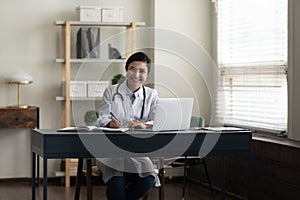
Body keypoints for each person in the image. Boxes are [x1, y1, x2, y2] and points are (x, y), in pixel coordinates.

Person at [96, 52, 160, 200]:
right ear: (126, 70)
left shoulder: (152, 95)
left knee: (148, 178)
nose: (136, 74)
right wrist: (110, 123)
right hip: (111, 148)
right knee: (116, 180)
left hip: (137, 149)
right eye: (132, 69)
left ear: (147, 74)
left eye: (142, 71)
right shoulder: (111, 91)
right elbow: (102, 118)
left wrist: (144, 125)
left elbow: (158, 120)